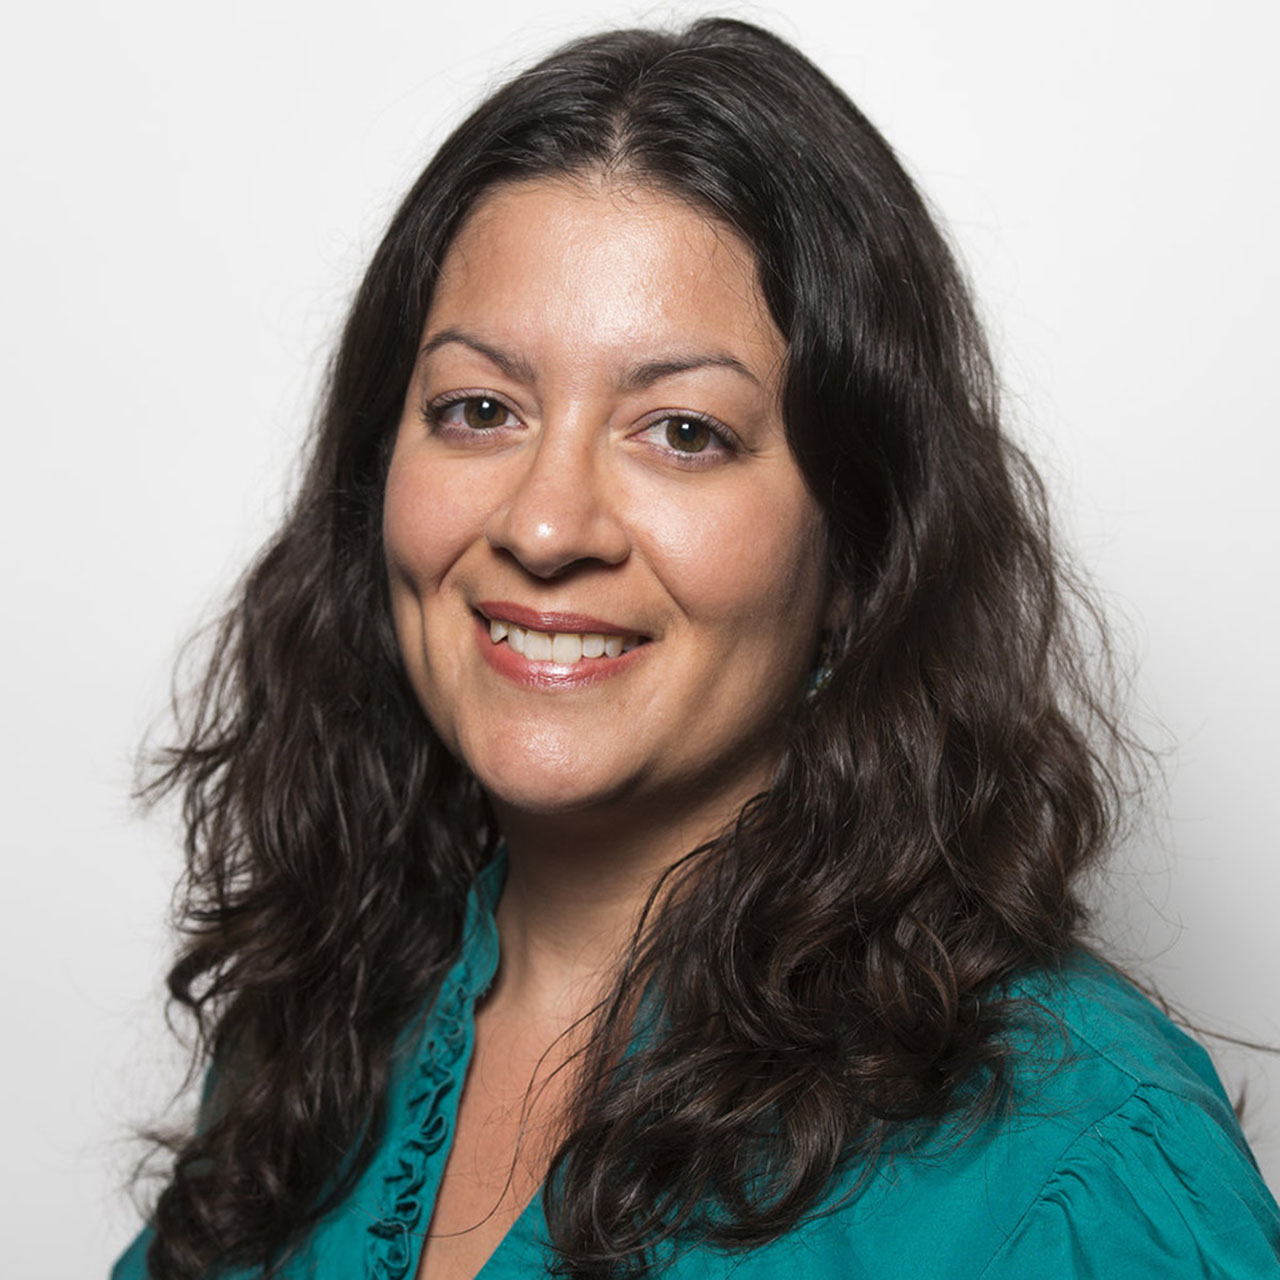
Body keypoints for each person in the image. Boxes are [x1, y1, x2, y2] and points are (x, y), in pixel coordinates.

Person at [113, 17, 1280, 1280]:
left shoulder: (1075, 1160)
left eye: (681, 430)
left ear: (861, 543)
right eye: (478, 408)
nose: (544, 524)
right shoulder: (316, 1023)